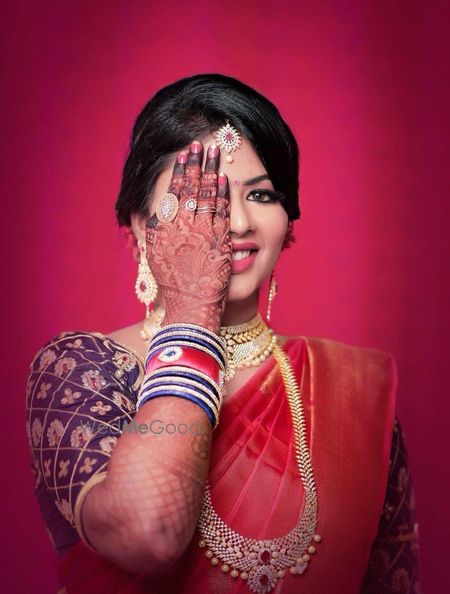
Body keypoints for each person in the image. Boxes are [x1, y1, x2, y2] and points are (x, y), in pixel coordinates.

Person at [26, 73, 421, 594]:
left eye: (260, 194)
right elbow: (149, 534)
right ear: (141, 226)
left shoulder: (355, 392)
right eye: (202, 196)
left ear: (288, 222)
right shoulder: (79, 370)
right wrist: (192, 312)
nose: (235, 222)